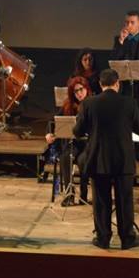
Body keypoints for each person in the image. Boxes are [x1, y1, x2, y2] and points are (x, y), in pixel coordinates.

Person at [73, 68, 139, 250]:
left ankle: (103, 238)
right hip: (123, 158)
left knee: (101, 201)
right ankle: (127, 239)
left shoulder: (89, 103)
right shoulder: (129, 102)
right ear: (117, 84)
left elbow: (78, 132)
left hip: (98, 158)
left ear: (100, 84)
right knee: (124, 201)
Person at [45, 75, 94, 206]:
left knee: (84, 161)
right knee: (66, 157)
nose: (79, 93)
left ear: (86, 89)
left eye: (81, 89)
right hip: (73, 144)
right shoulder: (68, 105)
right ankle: (69, 195)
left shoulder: (93, 104)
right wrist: (49, 134)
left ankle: (83, 195)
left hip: (88, 145)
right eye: (75, 91)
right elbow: (53, 121)